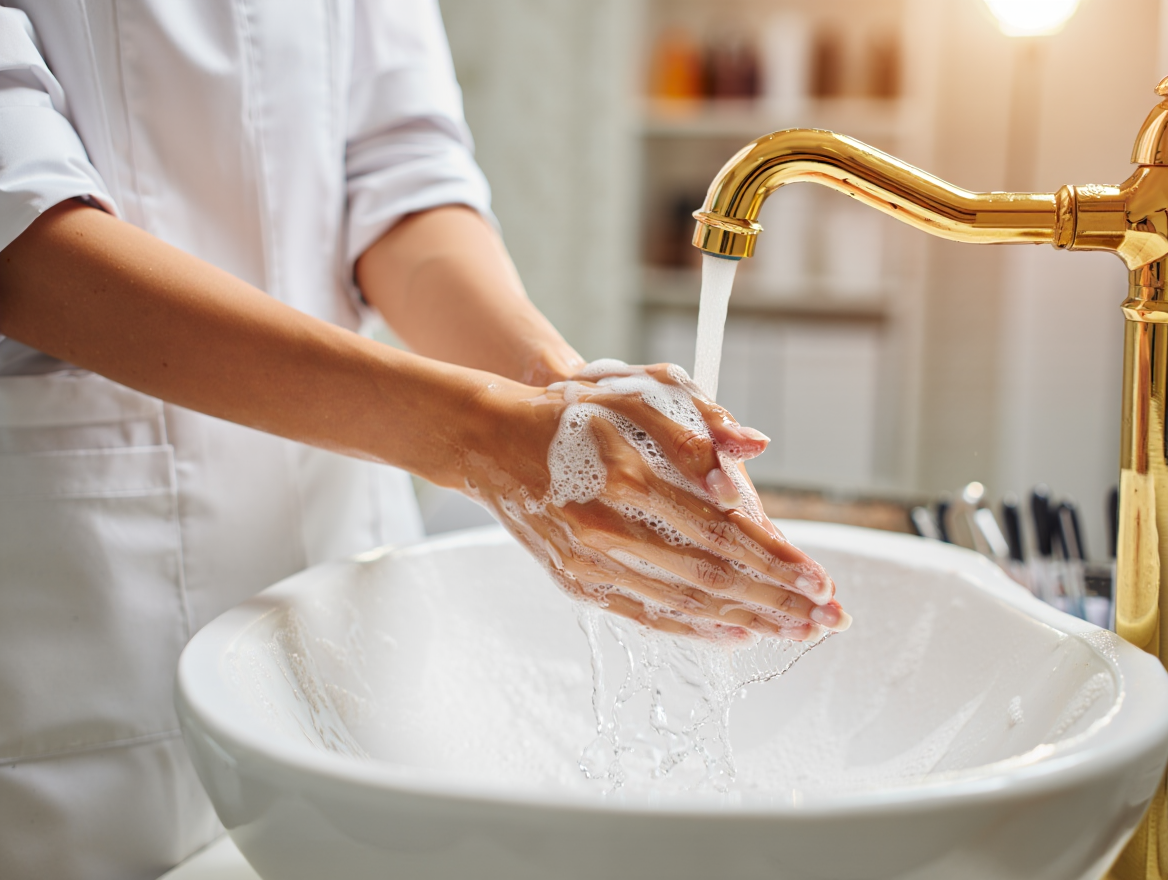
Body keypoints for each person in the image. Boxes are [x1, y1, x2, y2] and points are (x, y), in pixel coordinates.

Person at [0, 2, 847, 878]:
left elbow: (402, 174)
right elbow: (20, 236)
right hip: (89, 632)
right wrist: (480, 434)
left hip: (336, 588)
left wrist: (559, 393)